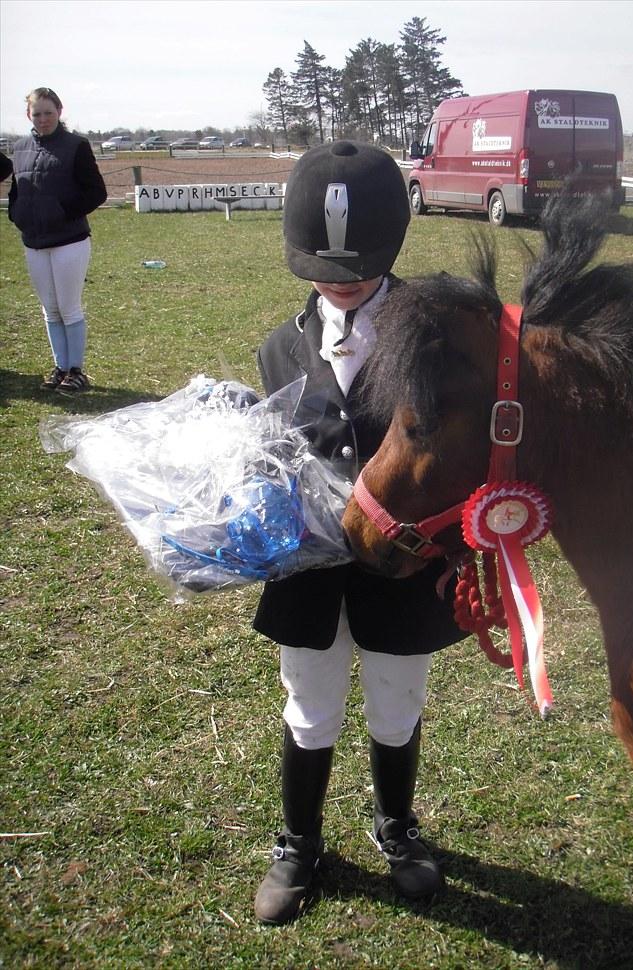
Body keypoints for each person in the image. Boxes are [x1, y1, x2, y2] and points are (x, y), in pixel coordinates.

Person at [252, 140, 468, 925]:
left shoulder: (439, 338)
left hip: (401, 574)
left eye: (361, 264)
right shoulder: (278, 346)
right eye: (322, 265)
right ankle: (299, 841)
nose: (341, 281)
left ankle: (397, 826)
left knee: (395, 704)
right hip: (309, 576)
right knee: (308, 706)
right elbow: (273, 454)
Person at [8, 87, 107, 393]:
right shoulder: (20, 147)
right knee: (49, 309)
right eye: (37, 113)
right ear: (28, 115)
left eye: (48, 112)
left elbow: (96, 192)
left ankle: (76, 370)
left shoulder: (75, 145)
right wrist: (17, 214)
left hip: (69, 241)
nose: (43, 119)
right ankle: (60, 367)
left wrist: (63, 212)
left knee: (69, 307)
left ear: (59, 112)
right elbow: (16, 190)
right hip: (34, 241)